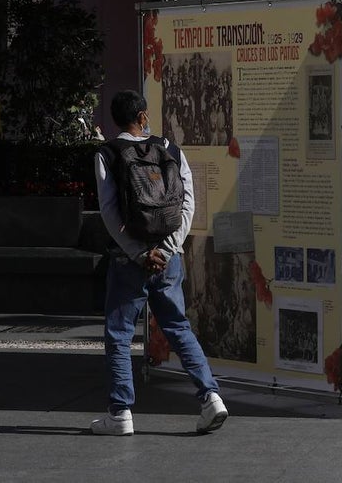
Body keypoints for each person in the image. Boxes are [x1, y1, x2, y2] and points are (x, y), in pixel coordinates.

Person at [91, 89, 228, 436]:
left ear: (115, 119)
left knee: (120, 335)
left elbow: (108, 212)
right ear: (142, 117)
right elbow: (188, 205)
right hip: (169, 260)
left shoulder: (107, 153)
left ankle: (120, 412)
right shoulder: (170, 150)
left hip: (128, 259)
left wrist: (139, 252)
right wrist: (167, 250)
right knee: (178, 327)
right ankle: (210, 397)